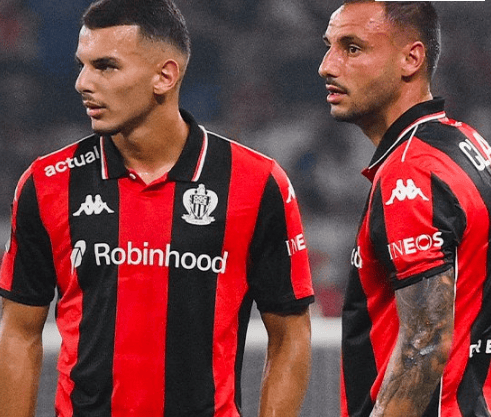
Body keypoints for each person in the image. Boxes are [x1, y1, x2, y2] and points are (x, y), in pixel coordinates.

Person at [0, 0, 315, 416]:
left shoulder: (257, 183)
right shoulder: (47, 183)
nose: (82, 83)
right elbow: (19, 332)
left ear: (164, 76)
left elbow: (290, 333)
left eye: (105, 66)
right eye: (82, 65)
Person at [319, 1, 491, 416]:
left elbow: (425, 342)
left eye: (352, 48)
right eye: (329, 47)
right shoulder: (467, 143)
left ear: (411, 59)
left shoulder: (411, 170)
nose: (327, 66)